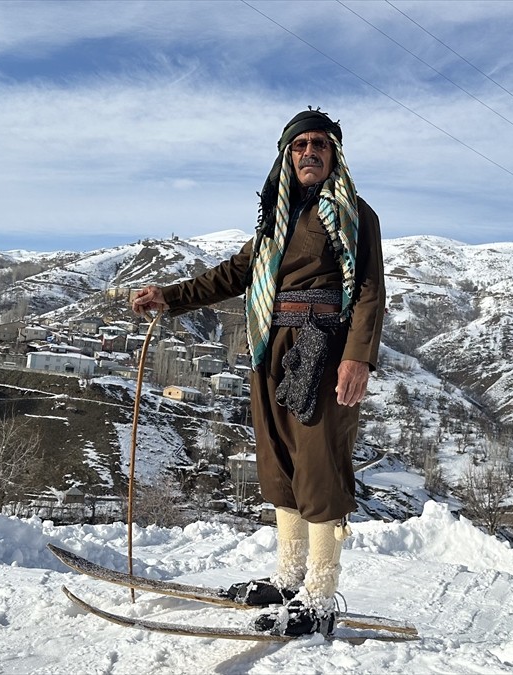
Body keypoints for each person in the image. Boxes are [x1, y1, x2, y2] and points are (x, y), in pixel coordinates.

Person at [131, 108, 385, 636]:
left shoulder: (356, 215)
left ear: (334, 154)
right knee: (281, 464)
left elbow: (368, 290)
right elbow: (234, 275)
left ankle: (320, 595)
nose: (309, 152)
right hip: (271, 347)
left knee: (319, 465)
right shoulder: (275, 217)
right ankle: (289, 580)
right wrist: (169, 297)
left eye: (320, 144)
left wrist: (357, 357)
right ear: (286, 156)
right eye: (300, 145)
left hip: (325, 346)